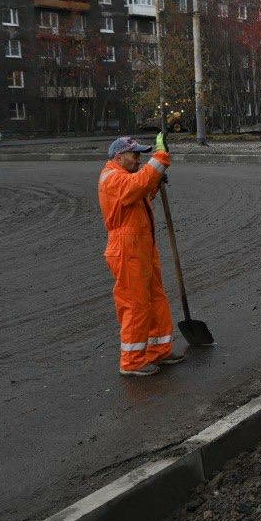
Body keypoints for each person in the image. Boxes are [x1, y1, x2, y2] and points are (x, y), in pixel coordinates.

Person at [99, 135, 184, 377]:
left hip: (141, 245)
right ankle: (132, 361)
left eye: (140, 155)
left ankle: (158, 350)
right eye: (135, 154)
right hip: (127, 247)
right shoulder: (112, 177)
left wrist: (154, 184)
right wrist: (159, 159)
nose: (138, 159)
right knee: (135, 303)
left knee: (155, 297)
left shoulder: (123, 176)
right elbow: (135, 188)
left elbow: (141, 195)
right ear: (119, 156)